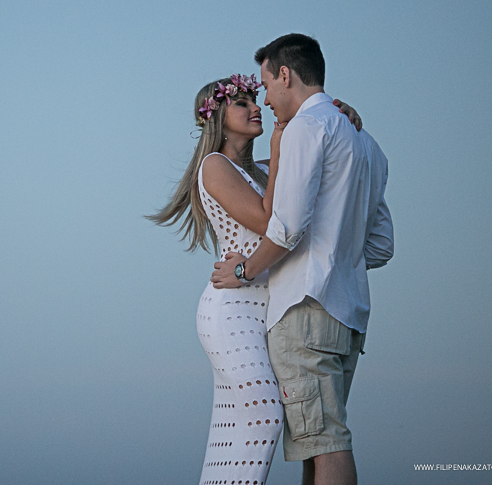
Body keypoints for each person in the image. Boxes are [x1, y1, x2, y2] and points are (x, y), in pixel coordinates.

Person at [149, 73, 362, 485]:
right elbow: (271, 221)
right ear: (216, 117)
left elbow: (308, 172)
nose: (255, 107)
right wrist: (280, 144)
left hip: (268, 308)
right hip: (232, 308)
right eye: (241, 102)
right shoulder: (214, 166)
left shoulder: (264, 170)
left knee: (270, 425)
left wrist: (346, 118)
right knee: (266, 411)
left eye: (254, 99)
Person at [212, 34, 393, 485]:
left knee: (326, 443)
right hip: (348, 315)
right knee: (316, 444)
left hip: (305, 309)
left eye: (266, 85)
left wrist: (243, 270)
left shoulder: (305, 130)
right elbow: (381, 245)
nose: (266, 99)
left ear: (285, 74)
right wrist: (336, 254)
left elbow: (286, 228)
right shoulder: (367, 143)